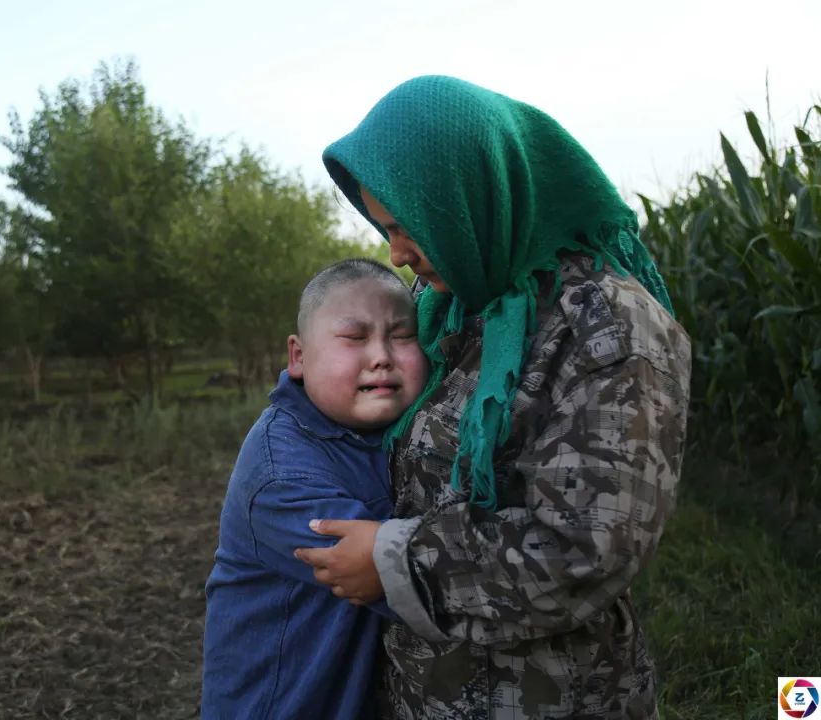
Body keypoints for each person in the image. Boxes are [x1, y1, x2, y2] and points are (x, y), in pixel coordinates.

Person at [294, 75, 692, 718]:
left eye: (406, 226)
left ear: (468, 197)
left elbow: (586, 546)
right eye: (384, 227)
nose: (396, 253)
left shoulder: (609, 327)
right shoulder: (451, 306)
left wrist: (395, 563)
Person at [202, 258, 429, 719]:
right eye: (354, 337)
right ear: (299, 357)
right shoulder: (281, 474)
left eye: (402, 335)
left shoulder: (392, 434)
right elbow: (413, 581)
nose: (381, 354)